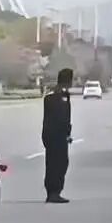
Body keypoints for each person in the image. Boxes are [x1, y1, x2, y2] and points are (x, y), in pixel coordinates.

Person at [42, 68, 73, 203]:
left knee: (58, 163)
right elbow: (60, 118)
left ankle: (54, 191)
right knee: (57, 163)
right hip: (55, 135)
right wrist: (66, 133)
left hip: (54, 134)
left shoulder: (60, 95)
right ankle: (53, 192)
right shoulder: (57, 96)